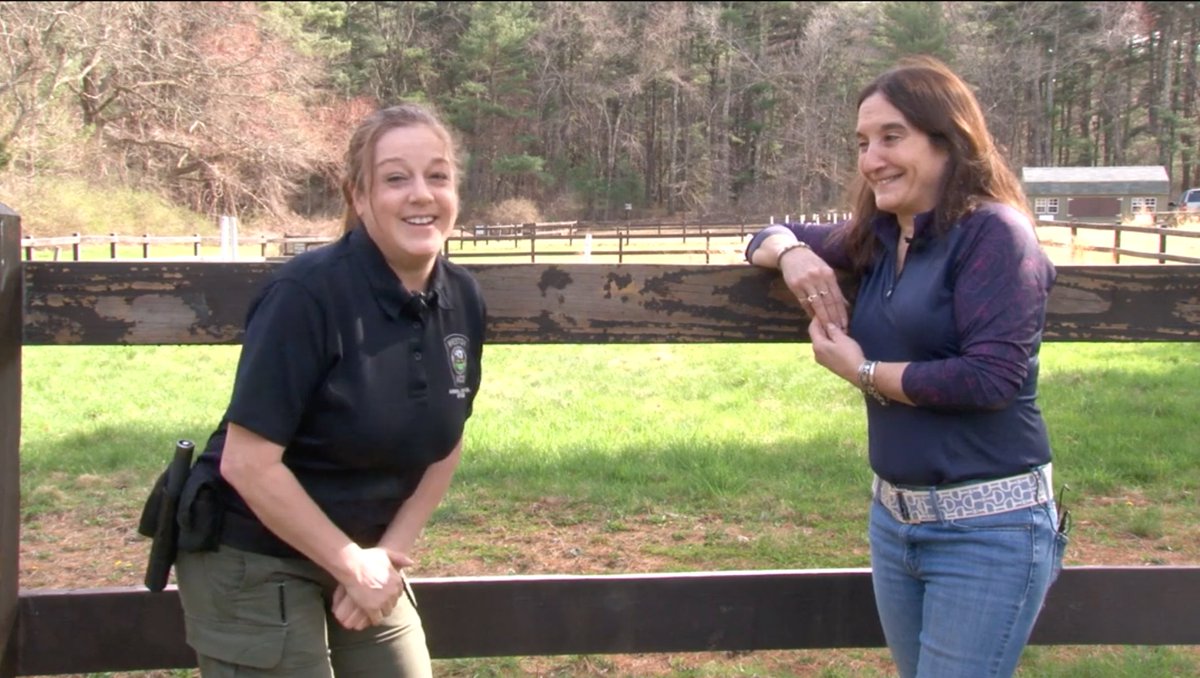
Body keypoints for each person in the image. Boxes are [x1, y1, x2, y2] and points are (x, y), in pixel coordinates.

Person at [745, 56, 1066, 678]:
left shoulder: (996, 234)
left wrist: (863, 372)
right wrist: (794, 256)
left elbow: (990, 377)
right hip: (894, 521)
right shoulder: (884, 234)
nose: (871, 160)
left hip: (988, 527)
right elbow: (767, 231)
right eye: (863, 143)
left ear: (950, 141)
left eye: (893, 138)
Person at [172, 102, 485, 677]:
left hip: (364, 551)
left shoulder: (462, 296)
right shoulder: (307, 294)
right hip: (252, 551)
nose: (421, 194)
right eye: (396, 178)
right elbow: (249, 463)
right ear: (358, 196)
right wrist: (351, 565)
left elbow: (448, 437)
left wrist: (386, 555)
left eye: (437, 175)